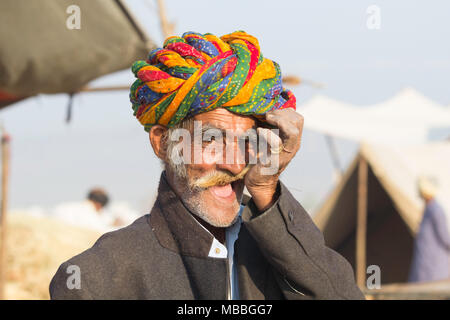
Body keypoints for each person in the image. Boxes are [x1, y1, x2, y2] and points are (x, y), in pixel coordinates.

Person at [49, 31, 364, 299]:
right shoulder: (98, 279)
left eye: (247, 141)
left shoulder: (282, 258)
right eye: (211, 140)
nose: (234, 162)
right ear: (161, 142)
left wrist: (267, 188)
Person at [408, 177, 450, 282]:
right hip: (426, 265)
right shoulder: (428, 210)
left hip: (435, 268)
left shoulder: (435, 210)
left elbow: (445, 237)